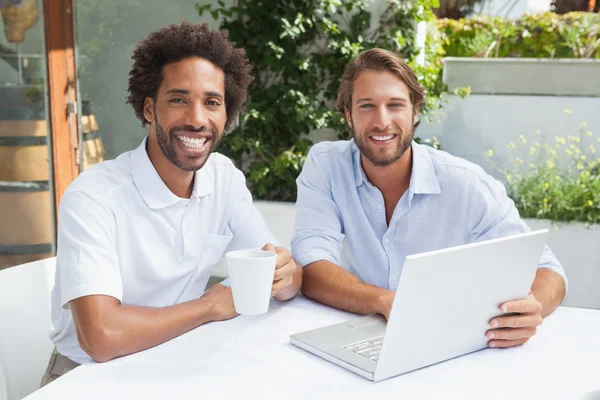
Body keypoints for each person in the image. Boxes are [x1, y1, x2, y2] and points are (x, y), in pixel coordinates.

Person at [42, 21, 302, 386]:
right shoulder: (94, 197)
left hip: (175, 357)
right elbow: (101, 337)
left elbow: (286, 276)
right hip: (86, 376)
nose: (197, 119)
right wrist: (211, 306)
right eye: (179, 99)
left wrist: (284, 274)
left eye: (212, 103)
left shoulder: (223, 177)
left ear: (227, 114)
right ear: (149, 109)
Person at [291, 48, 566, 350]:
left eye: (395, 105)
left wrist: (531, 307)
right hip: (358, 335)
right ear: (349, 115)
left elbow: (548, 269)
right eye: (367, 106)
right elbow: (312, 263)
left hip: (450, 342)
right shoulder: (326, 165)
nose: (382, 122)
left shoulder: (465, 184)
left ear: (415, 111)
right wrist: (386, 301)